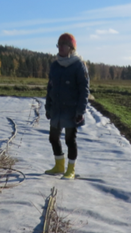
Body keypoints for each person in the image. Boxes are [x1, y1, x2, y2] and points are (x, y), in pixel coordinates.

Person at [44, 33, 89, 180]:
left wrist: (80, 111)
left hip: (72, 110)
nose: (60, 48)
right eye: (59, 45)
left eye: (63, 45)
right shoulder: (55, 65)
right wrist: (48, 106)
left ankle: (71, 169)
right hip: (56, 109)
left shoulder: (78, 65)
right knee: (53, 138)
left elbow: (84, 90)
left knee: (70, 140)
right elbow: (50, 87)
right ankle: (59, 166)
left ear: (71, 48)